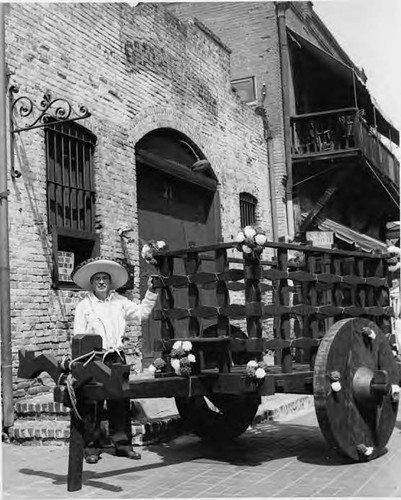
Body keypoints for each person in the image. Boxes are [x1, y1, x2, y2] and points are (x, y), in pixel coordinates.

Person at [71, 257, 158, 464]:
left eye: (105, 279)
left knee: (120, 400)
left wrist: (152, 291)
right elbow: (78, 336)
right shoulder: (84, 306)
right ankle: (92, 447)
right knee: (92, 402)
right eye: (97, 279)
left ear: (110, 283)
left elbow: (142, 313)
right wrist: (80, 363)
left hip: (116, 358)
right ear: (91, 283)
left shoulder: (120, 302)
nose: (101, 282)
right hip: (93, 358)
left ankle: (123, 445)